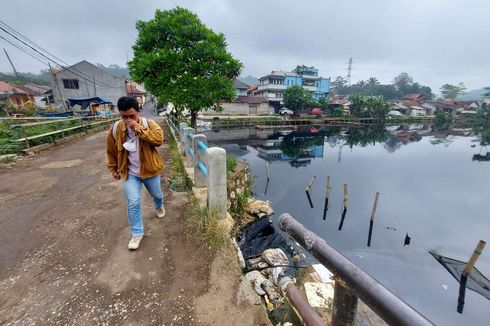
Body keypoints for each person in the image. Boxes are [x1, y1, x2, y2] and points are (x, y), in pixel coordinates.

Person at [106, 96, 165, 250]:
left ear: (138, 111)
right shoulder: (115, 129)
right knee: (133, 202)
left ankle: (159, 205)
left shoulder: (149, 124)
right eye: (124, 117)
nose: (128, 120)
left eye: (132, 116)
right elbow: (111, 151)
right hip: (130, 173)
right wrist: (113, 168)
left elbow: (159, 140)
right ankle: (137, 234)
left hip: (150, 170)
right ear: (120, 114)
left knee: (157, 195)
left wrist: (137, 128)